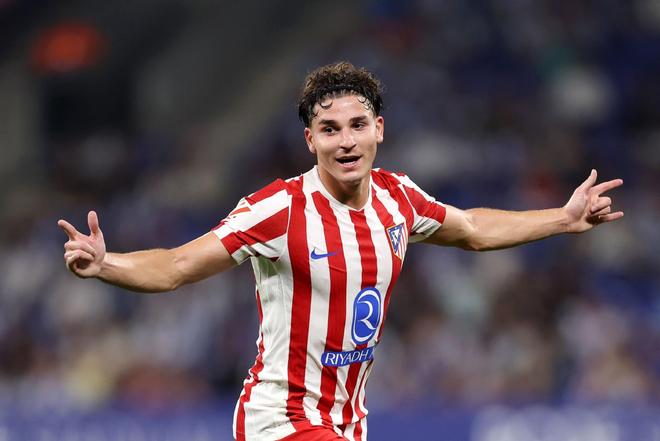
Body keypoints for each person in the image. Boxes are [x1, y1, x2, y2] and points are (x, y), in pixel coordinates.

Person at [58, 61, 624, 441]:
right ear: (311, 140)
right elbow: (178, 265)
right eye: (329, 129)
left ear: (379, 129)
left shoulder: (399, 199)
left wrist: (563, 217)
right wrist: (107, 265)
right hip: (280, 419)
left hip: (347, 423)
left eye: (357, 125)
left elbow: (474, 228)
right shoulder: (278, 209)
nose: (346, 141)